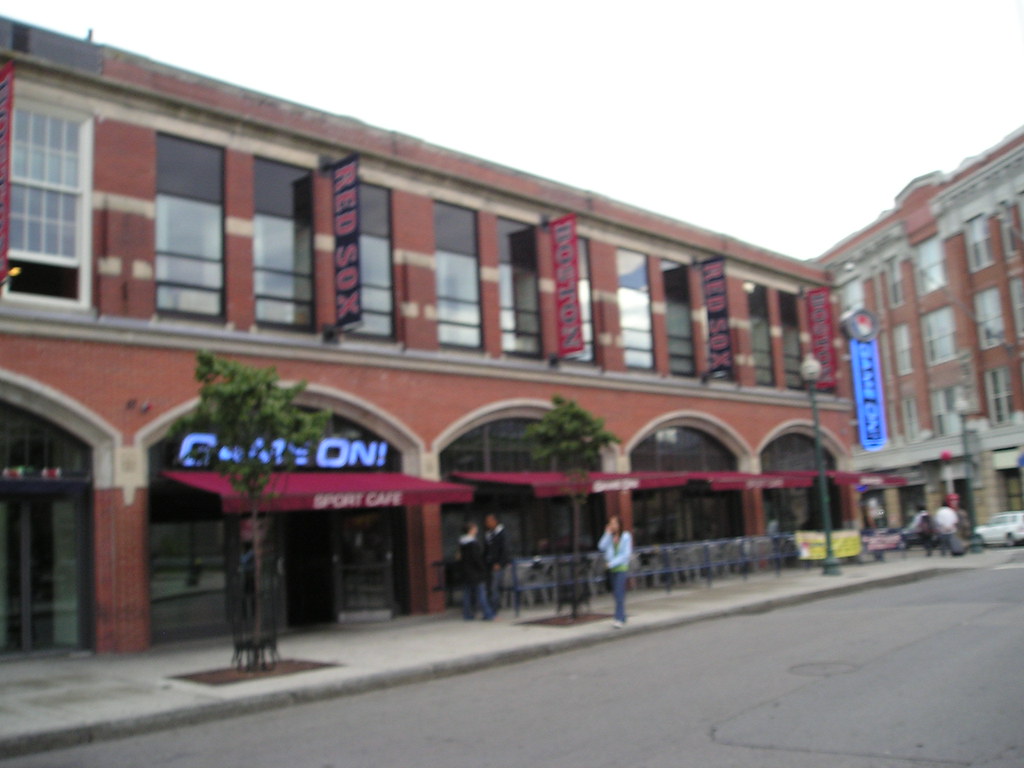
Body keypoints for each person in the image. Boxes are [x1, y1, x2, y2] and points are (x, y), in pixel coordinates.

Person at [597, 514, 632, 628]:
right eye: (610, 523)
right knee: (616, 594)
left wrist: (612, 563)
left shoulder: (626, 536)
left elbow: (625, 555)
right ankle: (622, 615)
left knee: (619, 592)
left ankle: (618, 618)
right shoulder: (610, 537)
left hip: (621, 567)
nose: (612, 525)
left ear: (619, 524)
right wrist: (607, 533)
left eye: (614, 523)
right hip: (611, 569)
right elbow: (601, 546)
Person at [459, 522, 494, 621]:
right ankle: (488, 614)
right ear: (470, 530)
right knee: (481, 593)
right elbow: (476, 558)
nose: (476, 530)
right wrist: (482, 568)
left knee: (467, 593)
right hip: (475, 572)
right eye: (474, 528)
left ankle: (467, 614)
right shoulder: (473, 543)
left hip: (466, 571)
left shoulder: (462, 543)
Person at [483, 513, 509, 615]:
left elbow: (505, 550)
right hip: (488, 564)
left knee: (495, 587)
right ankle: (489, 608)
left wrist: (499, 563)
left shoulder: (501, 533)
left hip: (498, 564)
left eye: (489, 521)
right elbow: (486, 549)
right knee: (488, 587)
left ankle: (494, 609)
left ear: (495, 521)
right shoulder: (488, 534)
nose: (487, 524)